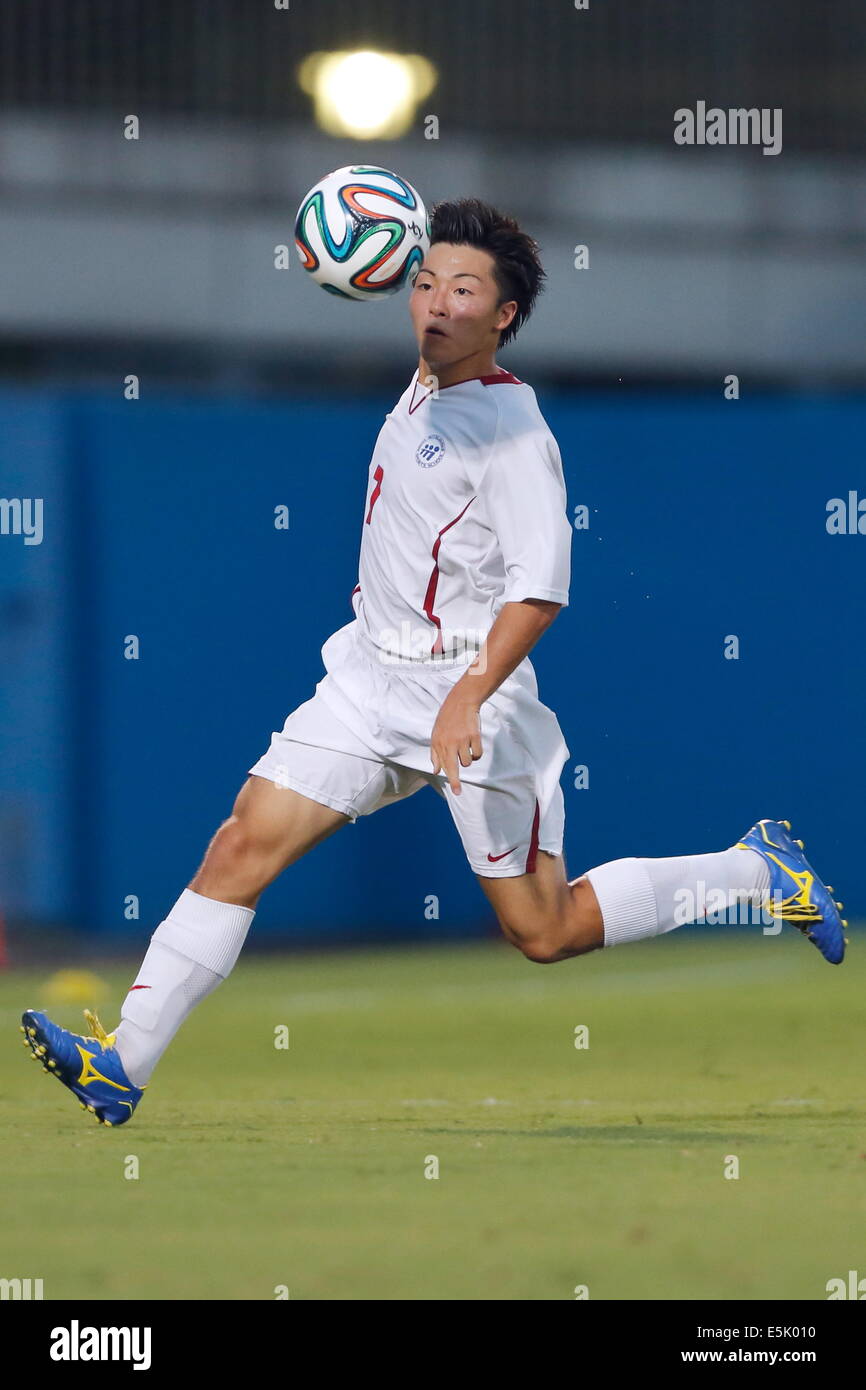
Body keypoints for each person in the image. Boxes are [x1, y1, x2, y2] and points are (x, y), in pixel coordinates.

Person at [21, 199, 847, 1126]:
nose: (438, 303)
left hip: (471, 697)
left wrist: (469, 695)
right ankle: (122, 1064)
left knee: (544, 929)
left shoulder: (512, 433)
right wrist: (357, 241)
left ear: (504, 315)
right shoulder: (427, 380)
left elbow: (542, 588)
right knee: (240, 845)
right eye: (424, 284)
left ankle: (755, 873)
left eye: (464, 290)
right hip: (367, 682)